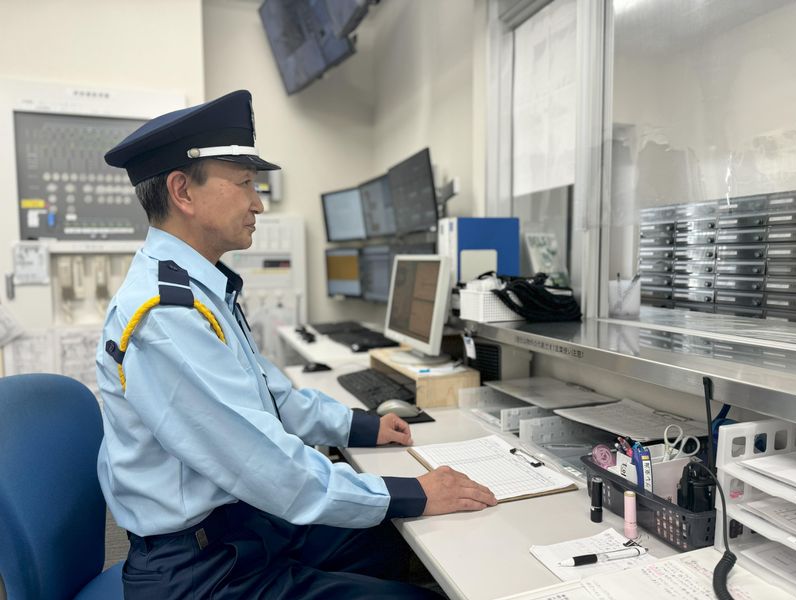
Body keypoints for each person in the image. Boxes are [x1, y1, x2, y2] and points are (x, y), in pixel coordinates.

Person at [97, 89, 497, 599]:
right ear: (183, 191)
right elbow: (262, 463)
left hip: (243, 531)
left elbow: (269, 397)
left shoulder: (197, 288)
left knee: (396, 546)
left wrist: (360, 426)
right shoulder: (165, 314)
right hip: (203, 572)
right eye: (244, 183)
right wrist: (412, 492)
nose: (258, 203)